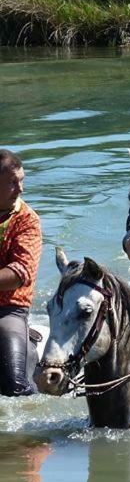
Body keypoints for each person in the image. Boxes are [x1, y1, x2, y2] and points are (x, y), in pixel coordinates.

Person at [0, 150, 41, 397]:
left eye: (21, 180)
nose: (21, 189)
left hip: (8, 310)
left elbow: (20, 272)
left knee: (14, 385)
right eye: (12, 183)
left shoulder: (27, 220)